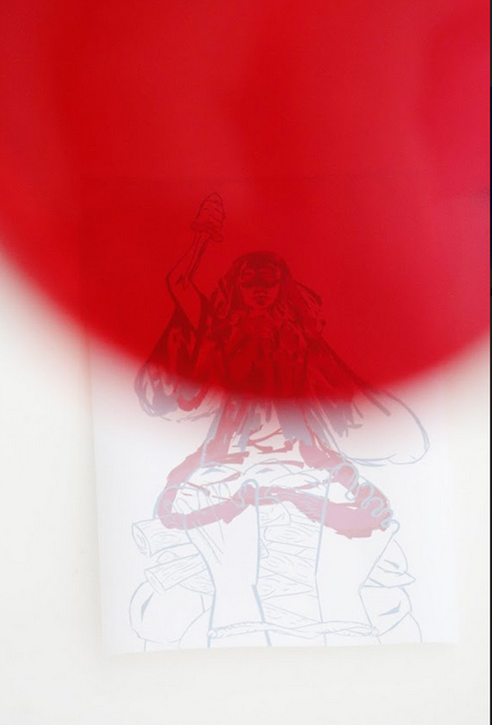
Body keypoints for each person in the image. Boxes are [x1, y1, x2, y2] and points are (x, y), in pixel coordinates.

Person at [133, 194, 428, 648]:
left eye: (268, 281)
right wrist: (202, 237)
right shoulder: (217, 329)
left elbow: (338, 392)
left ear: (281, 286)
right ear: (235, 285)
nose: (259, 288)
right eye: (249, 280)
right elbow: (178, 282)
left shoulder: (301, 339)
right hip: (229, 460)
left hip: (302, 459)